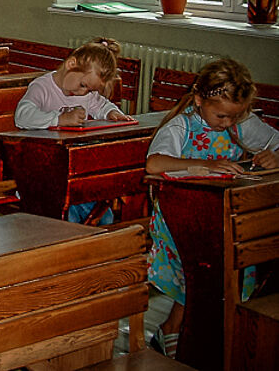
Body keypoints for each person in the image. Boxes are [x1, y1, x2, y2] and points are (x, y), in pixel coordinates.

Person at [145, 58, 279, 358]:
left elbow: (276, 143)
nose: (227, 123)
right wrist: (205, 164)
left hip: (226, 217)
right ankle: (177, 331)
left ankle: (187, 332)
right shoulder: (182, 125)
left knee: (218, 276)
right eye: (221, 116)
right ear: (198, 100)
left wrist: (275, 157)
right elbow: (155, 163)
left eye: (235, 116)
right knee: (197, 277)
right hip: (181, 220)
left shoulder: (241, 124)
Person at [14, 37, 133, 224]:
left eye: (89, 90)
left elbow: (102, 105)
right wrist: (59, 119)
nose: (83, 93)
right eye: (83, 85)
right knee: (72, 214)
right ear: (71, 64)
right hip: (42, 172)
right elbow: (22, 115)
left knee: (100, 212)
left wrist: (112, 113)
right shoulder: (42, 87)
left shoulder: (86, 96)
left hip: (75, 172)